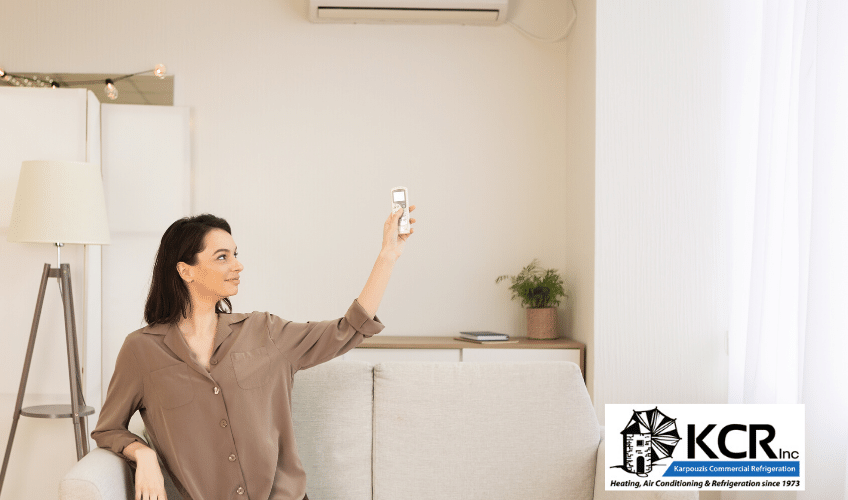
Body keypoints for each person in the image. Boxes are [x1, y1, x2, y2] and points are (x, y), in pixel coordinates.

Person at [91, 205, 416, 500]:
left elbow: (347, 330)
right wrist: (142, 454)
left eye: (235, 254)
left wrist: (388, 254)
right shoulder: (141, 350)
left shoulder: (266, 331)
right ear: (186, 271)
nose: (238, 265)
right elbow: (108, 427)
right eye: (222, 257)